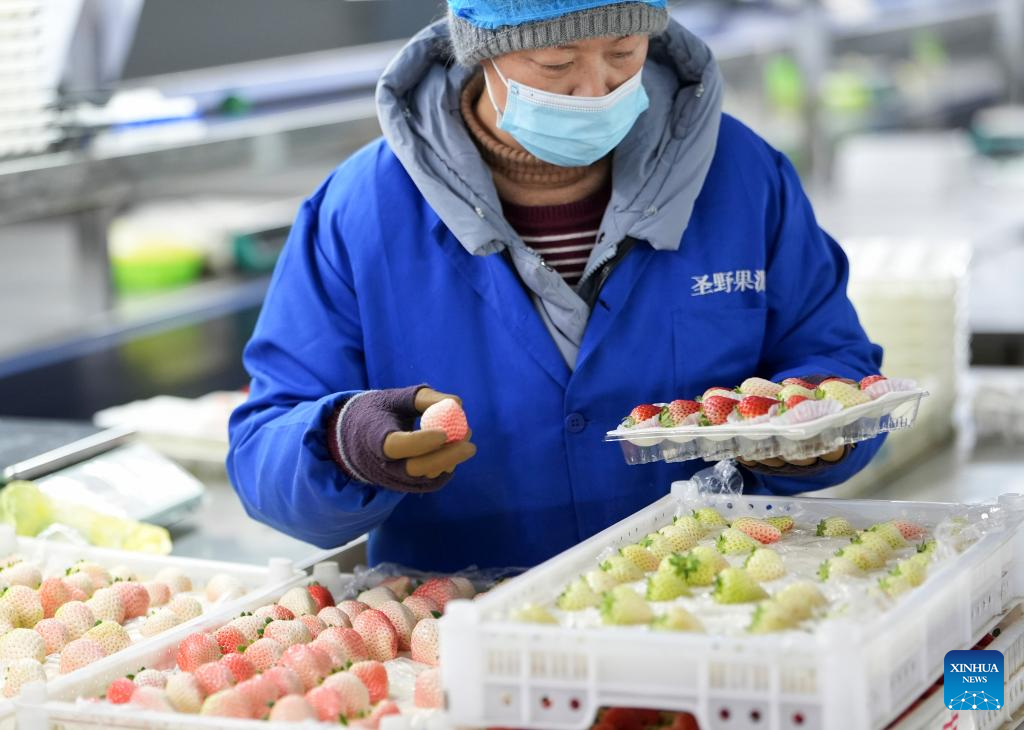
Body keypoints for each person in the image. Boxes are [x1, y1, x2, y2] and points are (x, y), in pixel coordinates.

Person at [227, 0, 884, 572]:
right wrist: (344, 442)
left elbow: (832, 357)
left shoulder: (742, 176)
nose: (595, 90)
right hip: (464, 629)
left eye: (623, 52)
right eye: (555, 62)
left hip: (715, 603)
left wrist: (811, 432)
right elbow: (263, 451)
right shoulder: (361, 211)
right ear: (484, 50)